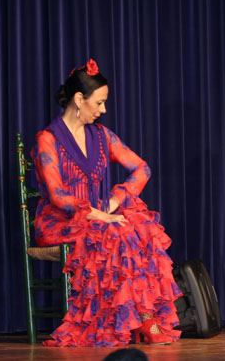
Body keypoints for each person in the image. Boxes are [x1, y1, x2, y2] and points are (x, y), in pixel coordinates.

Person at [31, 59, 182, 346]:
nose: (103, 110)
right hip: (61, 221)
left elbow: (142, 168)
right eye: (99, 103)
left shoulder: (101, 136)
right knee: (116, 231)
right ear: (79, 100)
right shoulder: (48, 139)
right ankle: (121, 321)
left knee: (140, 226)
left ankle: (145, 318)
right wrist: (100, 216)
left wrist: (114, 202)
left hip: (100, 215)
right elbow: (58, 196)